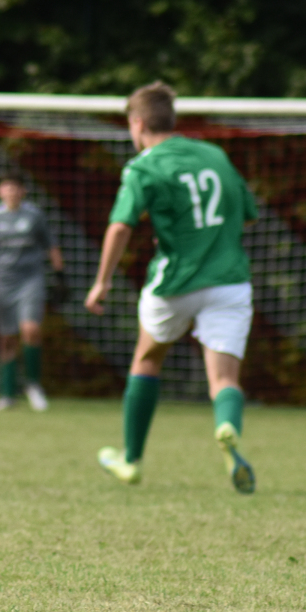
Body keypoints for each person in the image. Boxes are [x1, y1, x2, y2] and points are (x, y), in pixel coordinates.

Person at [84, 81, 257, 494]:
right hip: (230, 280)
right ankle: (227, 426)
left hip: (176, 281)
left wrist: (102, 280)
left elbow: (121, 226)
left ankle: (131, 460)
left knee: (147, 359)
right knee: (224, 379)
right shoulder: (214, 155)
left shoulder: (143, 167)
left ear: (138, 123)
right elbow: (247, 214)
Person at [0, 173, 64, 411]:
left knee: (30, 329)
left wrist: (60, 275)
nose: (11, 193)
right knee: (6, 337)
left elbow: (51, 246)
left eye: (15, 188)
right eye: (6, 188)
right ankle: (7, 393)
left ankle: (33, 385)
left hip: (31, 279)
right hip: (4, 281)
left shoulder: (34, 215)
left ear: (23, 191)